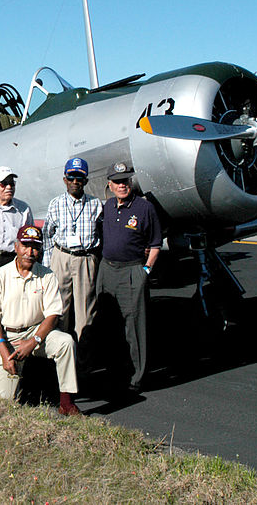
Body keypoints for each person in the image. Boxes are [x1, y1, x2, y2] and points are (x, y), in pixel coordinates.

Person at [0, 225, 81, 416]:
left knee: (66, 342)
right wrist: (4, 352)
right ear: (16, 246)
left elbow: (53, 315)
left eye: (35, 247)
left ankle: (66, 402)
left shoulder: (47, 275)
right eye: (25, 246)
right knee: (3, 404)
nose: (30, 252)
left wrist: (34, 341)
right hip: (9, 337)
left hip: (38, 333)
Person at [96, 161, 162, 394]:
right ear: (110, 185)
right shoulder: (108, 207)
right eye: (117, 182)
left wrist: (146, 270)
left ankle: (138, 377)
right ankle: (115, 371)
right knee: (109, 323)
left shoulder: (145, 208)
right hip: (107, 269)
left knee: (135, 326)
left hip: (132, 270)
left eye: (126, 181)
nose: (122, 185)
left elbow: (155, 243)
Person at [42, 157, 103, 342]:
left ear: (85, 181)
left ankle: (83, 360)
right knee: (59, 308)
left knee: (86, 311)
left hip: (85, 259)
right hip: (61, 257)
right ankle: (60, 354)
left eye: (79, 178)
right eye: (71, 177)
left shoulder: (95, 204)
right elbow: (47, 235)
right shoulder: (56, 203)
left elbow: (101, 232)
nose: (75, 182)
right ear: (64, 179)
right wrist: (48, 266)